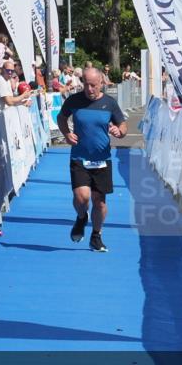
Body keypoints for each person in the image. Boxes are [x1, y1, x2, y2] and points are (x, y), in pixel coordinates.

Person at [58, 66, 128, 253]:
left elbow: (122, 125)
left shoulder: (110, 103)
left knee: (100, 202)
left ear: (101, 83)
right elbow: (61, 117)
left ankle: (96, 236)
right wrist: (66, 133)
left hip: (102, 159)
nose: (89, 89)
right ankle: (81, 217)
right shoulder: (74, 100)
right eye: (86, 85)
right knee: (82, 198)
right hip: (80, 157)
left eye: (93, 85)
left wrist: (119, 132)